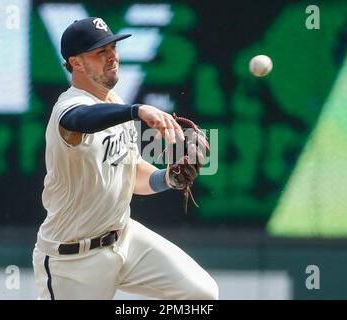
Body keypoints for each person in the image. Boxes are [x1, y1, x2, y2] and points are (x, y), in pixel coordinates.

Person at [32, 17, 218, 300]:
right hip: (72, 261)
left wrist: (169, 177)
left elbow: (133, 175)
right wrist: (137, 110)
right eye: (100, 52)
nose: (112, 57)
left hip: (125, 238)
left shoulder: (115, 102)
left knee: (201, 294)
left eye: (112, 48)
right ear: (77, 63)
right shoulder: (68, 108)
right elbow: (80, 119)